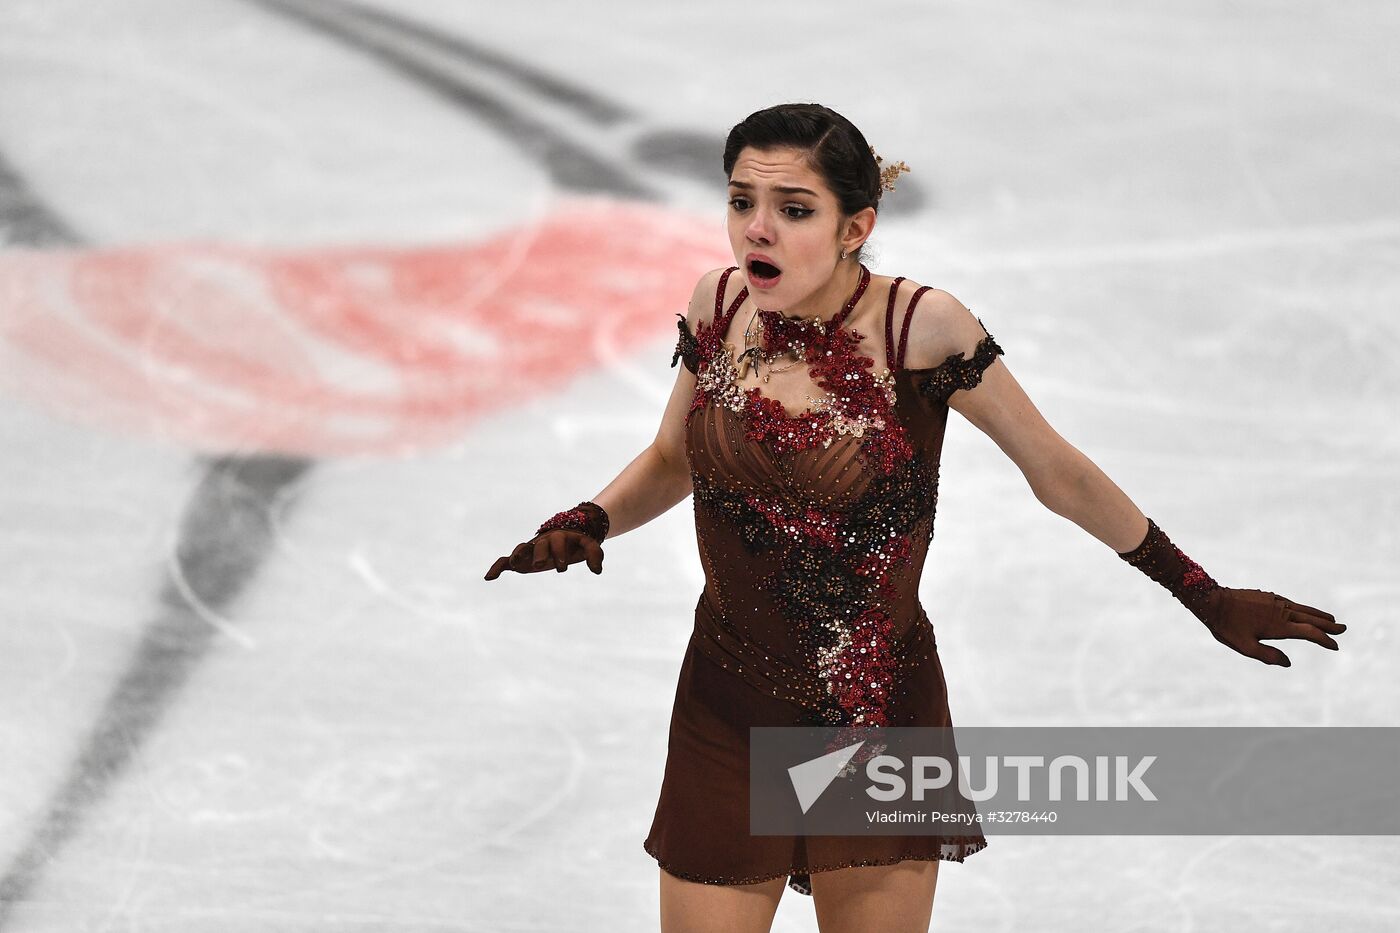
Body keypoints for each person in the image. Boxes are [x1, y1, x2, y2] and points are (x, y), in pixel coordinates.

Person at [484, 102, 1347, 933]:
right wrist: (590, 516)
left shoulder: (918, 329)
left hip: (872, 711)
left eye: (793, 209)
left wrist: (1201, 593)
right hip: (726, 702)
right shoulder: (719, 308)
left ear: (854, 226)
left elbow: (1056, 472)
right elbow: (673, 456)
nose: (757, 229)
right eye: (742, 202)